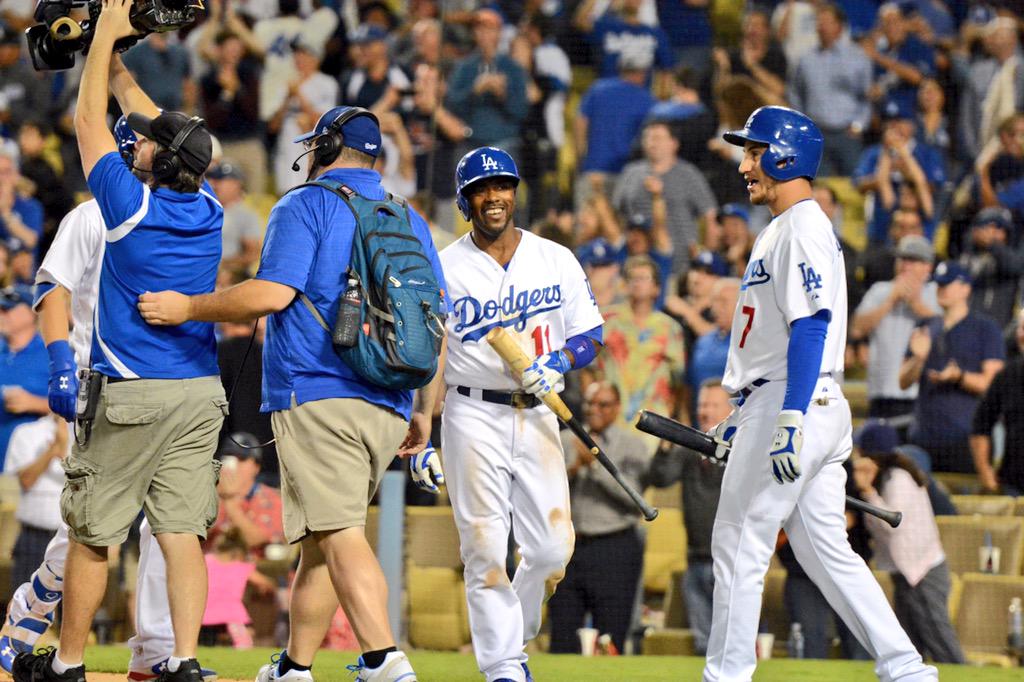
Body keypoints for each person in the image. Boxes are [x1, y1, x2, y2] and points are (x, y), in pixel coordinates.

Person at [137, 105, 447, 682]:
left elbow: (271, 294)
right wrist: (427, 411)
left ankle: (384, 660)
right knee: (322, 540)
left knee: (339, 533)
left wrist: (189, 307)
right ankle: (294, 667)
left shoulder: (305, 204)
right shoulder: (409, 216)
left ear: (326, 147)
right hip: (391, 401)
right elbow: (435, 323)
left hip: (320, 391)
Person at [11, 4, 226, 679]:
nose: (140, 142)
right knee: (181, 534)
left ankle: (68, 664)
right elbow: (171, 133)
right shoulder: (211, 208)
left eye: (151, 143)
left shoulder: (127, 209)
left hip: (131, 391)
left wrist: (103, 33)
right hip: (199, 393)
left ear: (160, 160)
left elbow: (86, 124)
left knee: (91, 536)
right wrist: (119, 58)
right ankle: (183, 661)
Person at [703, 105, 937, 681]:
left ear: (786, 156)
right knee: (825, 550)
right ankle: (907, 669)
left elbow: (811, 326)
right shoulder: (786, 227)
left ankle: (725, 676)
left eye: (754, 152)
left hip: (796, 399)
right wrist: (745, 411)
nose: (744, 166)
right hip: (802, 400)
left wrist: (787, 415)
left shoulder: (802, 226)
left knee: (739, 542)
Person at [430, 146, 604, 682]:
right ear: (464, 201)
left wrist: (561, 361)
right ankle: (503, 665)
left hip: (539, 411)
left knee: (552, 551)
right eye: (481, 189)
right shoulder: (444, 266)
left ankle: (514, 633)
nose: (493, 197)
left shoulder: (555, 257)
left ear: (515, 191)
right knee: (483, 546)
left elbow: (591, 334)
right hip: (471, 412)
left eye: (501, 186)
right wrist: (422, 434)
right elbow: (430, 355)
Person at [547, 381, 648, 655]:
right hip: (569, 547)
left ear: (617, 408)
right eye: (590, 403)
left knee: (610, 637)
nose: (594, 410)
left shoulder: (632, 446)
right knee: (562, 635)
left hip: (614, 547)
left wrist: (595, 467)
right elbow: (546, 491)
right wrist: (573, 470)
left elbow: (635, 499)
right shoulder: (564, 440)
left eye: (603, 404)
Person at [852, 422, 965, 663]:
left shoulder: (898, 479)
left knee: (942, 646)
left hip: (921, 573)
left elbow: (891, 524)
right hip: (908, 573)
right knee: (910, 649)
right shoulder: (889, 477)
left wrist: (867, 491)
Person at [647, 378, 729, 656]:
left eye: (713, 405)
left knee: (733, 639)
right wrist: (668, 438)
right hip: (695, 559)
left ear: (730, 410)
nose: (705, 411)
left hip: (731, 559)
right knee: (703, 645)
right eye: (702, 405)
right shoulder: (690, 449)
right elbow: (660, 477)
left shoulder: (742, 449)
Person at [898, 261, 1005, 473]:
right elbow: (903, 382)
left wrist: (959, 377)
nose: (941, 289)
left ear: (966, 288)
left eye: (947, 284)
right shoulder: (925, 326)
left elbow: (993, 385)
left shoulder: (985, 328)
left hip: (964, 438)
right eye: (939, 285)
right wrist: (918, 358)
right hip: (924, 436)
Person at [851, 235, 938, 419]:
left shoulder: (936, 292)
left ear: (928, 266)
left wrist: (916, 304)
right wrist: (890, 301)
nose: (905, 265)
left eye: (913, 260)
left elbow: (946, 330)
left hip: (920, 393)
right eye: (902, 259)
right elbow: (856, 329)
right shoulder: (880, 290)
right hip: (880, 391)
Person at [3, 414, 67, 590]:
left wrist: (65, 453)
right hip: (34, 537)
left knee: (72, 605)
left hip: (74, 540)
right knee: (25, 600)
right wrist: (52, 450)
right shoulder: (27, 432)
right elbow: (26, 480)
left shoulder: (92, 433)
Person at [971, 309, 1024, 495]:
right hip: (1014, 486)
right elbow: (980, 425)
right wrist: (985, 471)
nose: (1022, 335)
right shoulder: (1007, 375)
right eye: (1021, 328)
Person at [0, 284, 48, 470]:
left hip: (32, 465)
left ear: (30, 312)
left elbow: (77, 406)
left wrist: (35, 403)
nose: (1, 315)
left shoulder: (52, 356)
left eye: (7, 309)